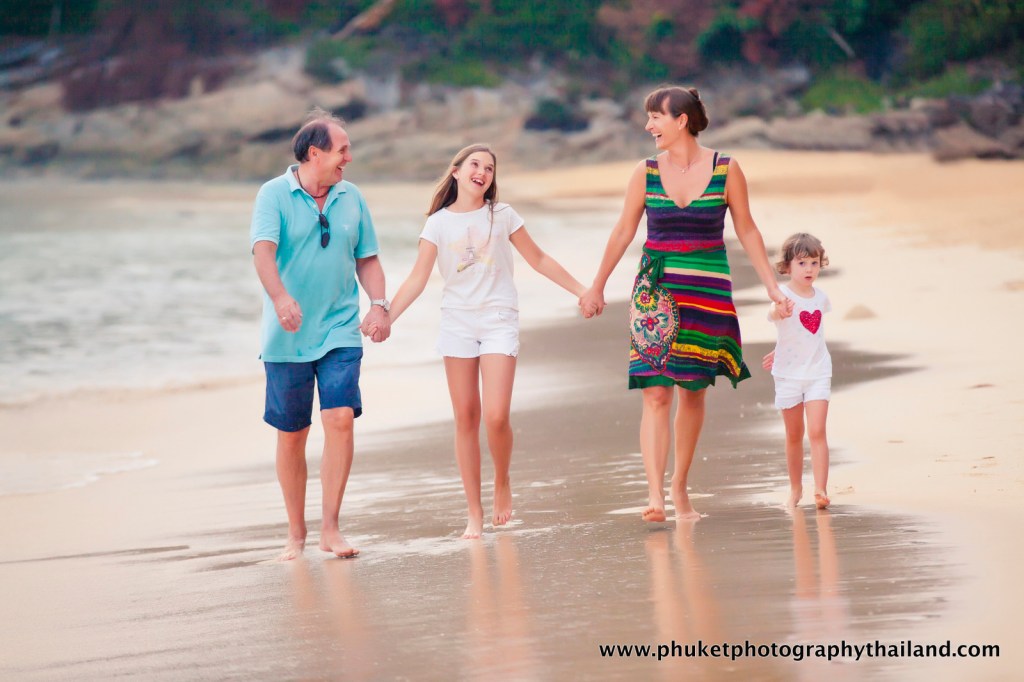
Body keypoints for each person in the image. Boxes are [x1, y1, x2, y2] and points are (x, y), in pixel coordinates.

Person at [579, 85, 793, 523]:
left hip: (707, 292)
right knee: (655, 391)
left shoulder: (726, 169)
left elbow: (748, 230)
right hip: (655, 293)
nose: (648, 125)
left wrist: (772, 284)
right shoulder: (645, 171)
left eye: (656, 116)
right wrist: (596, 285)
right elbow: (623, 231)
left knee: (692, 390)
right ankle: (655, 494)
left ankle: (679, 486)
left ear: (681, 120)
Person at [372, 143, 586, 539]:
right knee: (466, 418)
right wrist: (386, 315)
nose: (483, 172)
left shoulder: (501, 216)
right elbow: (418, 279)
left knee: (496, 416)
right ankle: (474, 512)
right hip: (457, 323)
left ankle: (501, 479)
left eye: (489, 168)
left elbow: (538, 259)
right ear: (456, 171)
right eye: (475, 164)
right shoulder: (436, 223)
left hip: (498, 318)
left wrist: (582, 291)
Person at [250, 108, 391, 561]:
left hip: (339, 328)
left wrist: (379, 304)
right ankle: (296, 533)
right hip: (287, 334)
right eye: (342, 149)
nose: (349, 157)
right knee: (293, 433)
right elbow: (263, 253)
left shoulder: (352, 197)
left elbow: (367, 259)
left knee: (340, 417)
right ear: (315, 153)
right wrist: (280, 299)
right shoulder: (273, 194)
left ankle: (331, 527)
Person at [764, 233, 833, 509]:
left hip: (818, 371)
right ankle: (795, 489)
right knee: (794, 434)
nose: (809, 269)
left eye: (814, 263)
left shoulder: (822, 298)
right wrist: (779, 311)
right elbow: (774, 316)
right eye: (802, 263)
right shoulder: (782, 297)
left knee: (817, 431)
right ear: (788, 266)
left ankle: (821, 489)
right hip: (788, 375)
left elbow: (811, 335)